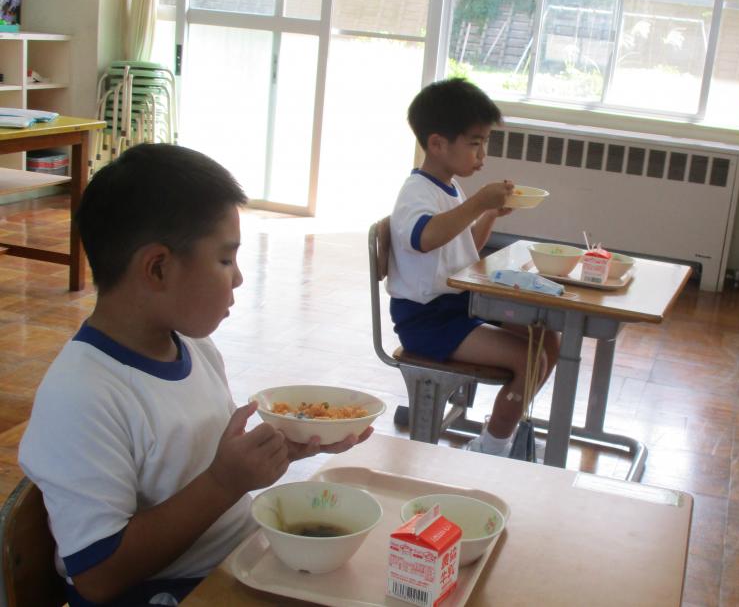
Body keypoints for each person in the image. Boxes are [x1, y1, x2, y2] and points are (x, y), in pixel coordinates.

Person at [18, 144, 371, 606]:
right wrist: (225, 482)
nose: (238, 278)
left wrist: (282, 447)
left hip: (235, 563)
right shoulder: (82, 395)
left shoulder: (194, 348)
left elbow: (199, 462)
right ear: (158, 267)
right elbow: (97, 576)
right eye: (225, 260)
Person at [387, 78, 559, 457]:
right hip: (427, 321)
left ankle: (504, 428)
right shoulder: (417, 191)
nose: (483, 154)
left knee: (547, 338)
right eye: (475, 143)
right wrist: (479, 202)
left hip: (457, 307)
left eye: (485, 143)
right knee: (529, 357)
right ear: (437, 144)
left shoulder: (449, 188)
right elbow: (424, 237)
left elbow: (465, 249)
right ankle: (492, 446)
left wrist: (489, 214)